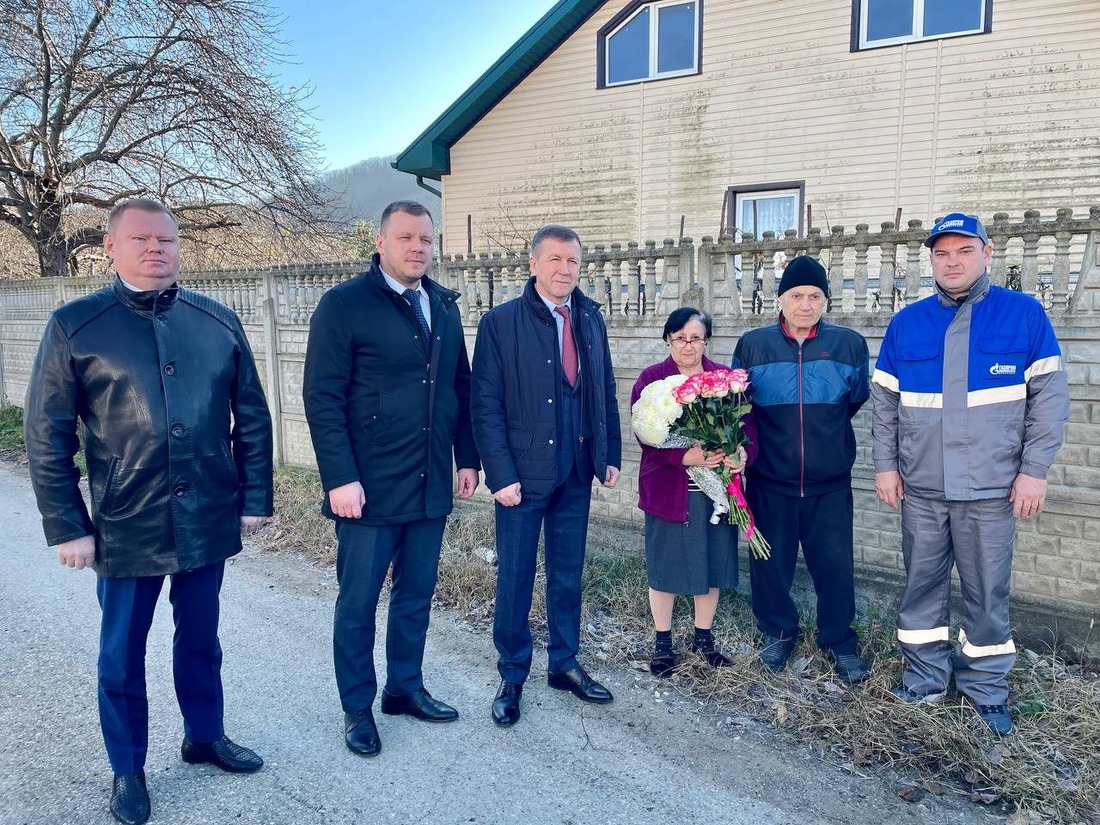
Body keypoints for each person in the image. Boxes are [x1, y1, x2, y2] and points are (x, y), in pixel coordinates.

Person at [24, 198, 273, 825]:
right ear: (111, 247)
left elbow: (254, 417)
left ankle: (204, 735)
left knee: (202, 638)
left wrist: (254, 496)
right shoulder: (76, 325)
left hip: (208, 512)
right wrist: (69, 525)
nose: (156, 248)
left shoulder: (216, 320)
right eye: (140, 238)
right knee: (121, 652)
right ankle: (128, 768)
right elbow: (45, 434)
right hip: (123, 521)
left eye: (166, 238)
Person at [871, 212, 1069, 735]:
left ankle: (985, 687)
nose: (951, 261)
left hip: (992, 488)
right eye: (942, 253)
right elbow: (885, 406)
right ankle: (924, 678)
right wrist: (886, 467)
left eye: (963, 251)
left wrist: (1034, 471)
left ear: (985, 253)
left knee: (987, 590)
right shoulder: (906, 323)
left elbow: (1049, 402)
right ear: (931, 260)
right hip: (923, 488)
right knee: (921, 585)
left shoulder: (1023, 315)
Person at [303, 200, 480, 757]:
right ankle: (358, 706)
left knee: (416, 594)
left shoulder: (443, 307)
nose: (417, 248)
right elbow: (322, 398)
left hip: (428, 481)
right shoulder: (344, 305)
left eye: (426, 239)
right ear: (380, 242)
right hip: (367, 487)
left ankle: (404, 687)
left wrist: (468, 458)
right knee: (358, 602)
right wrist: (340, 477)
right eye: (406, 237)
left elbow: (460, 388)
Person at [471, 224, 622, 727]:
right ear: (533, 264)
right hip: (522, 477)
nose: (565, 269)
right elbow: (484, 404)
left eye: (573, 261)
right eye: (555, 259)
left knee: (567, 575)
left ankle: (564, 663)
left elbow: (603, 390)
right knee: (514, 578)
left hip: (576, 473)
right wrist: (500, 473)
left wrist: (610, 454)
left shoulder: (589, 319)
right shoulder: (502, 322)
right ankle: (512, 674)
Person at [732, 255, 871, 685]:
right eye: (797, 296)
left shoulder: (849, 345)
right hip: (769, 481)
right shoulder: (753, 345)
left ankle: (839, 641)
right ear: (781, 299)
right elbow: (739, 406)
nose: (805, 304)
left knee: (834, 566)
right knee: (770, 565)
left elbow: (855, 399)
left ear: (826, 301)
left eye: (815, 296)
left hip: (829, 484)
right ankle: (776, 631)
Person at [630, 308, 758, 676]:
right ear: (668, 339)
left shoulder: (726, 381)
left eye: (696, 337)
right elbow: (646, 436)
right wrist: (685, 455)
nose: (689, 345)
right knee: (665, 566)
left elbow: (749, 427)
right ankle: (663, 642)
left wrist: (742, 453)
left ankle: (704, 639)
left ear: (707, 340)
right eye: (680, 337)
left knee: (713, 563)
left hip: (717, 491)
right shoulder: (653, 380)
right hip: (670, 489)